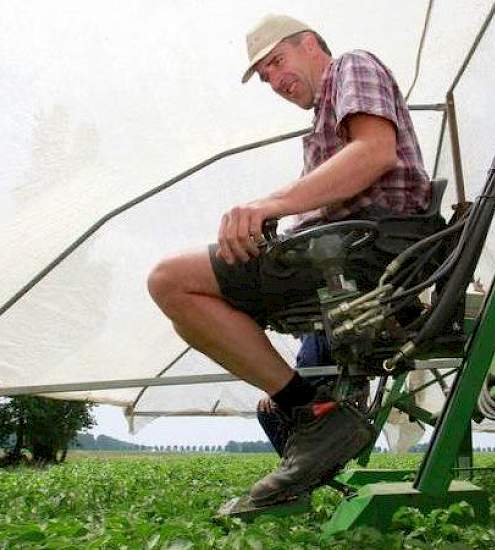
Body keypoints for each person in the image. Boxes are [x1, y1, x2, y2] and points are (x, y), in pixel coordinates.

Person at [147, 13, 439, 506]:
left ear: (310, 45)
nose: (275, 81)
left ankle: (310, 413)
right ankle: (311, 416)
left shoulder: (352, 64)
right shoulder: (323, 122)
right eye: (265, 77)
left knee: (171, 280)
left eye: (278, 62)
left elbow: (374, 152)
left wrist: (267, 206)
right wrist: (270, 233)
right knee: (188, 305)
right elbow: (325, 202)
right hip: (344, 250)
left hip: (373, 250)